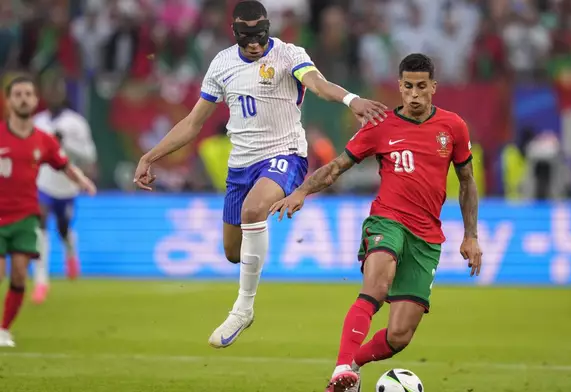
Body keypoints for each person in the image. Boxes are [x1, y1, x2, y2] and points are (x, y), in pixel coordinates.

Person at [132, 0, 387, 349]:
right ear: (235, 33)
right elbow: (193, 123)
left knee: (254, 211)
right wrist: (151, 156)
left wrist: (351, 100)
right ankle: (247, 281)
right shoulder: (221, 65)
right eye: (246, 37)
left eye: (260, 36)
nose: (254, 44)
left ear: (268, 28)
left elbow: (318, 84)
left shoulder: (288, 54)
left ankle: (243, 308)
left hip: (285, 155)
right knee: (233, 253)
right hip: (241, 166)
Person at [269, 53, 483, 392]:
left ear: (434, 88)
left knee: (399, 335)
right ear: (399, 87)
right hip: (387, 220)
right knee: (377, 287)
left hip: (427, 236)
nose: (414, 94)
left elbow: (467, 180)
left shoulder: (453, 127)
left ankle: (353, 365)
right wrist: (301, 192)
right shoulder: (380, 126)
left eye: (422, 87)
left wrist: (471, 236)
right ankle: (341, 368)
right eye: (408, 87)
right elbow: (338, 166)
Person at [0, 76, 96, 347]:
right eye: (17, 94)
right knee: (3, 271)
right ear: (8, 101)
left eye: (28, 94)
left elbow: (72, 161)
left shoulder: (56, 132)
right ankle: (41, 281)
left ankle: (4, 329)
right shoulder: (14, 129)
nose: (23, 99)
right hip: (19, 204)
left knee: (22, 271)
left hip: (45, 203)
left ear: (35, 98)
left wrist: (84, 181)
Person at [31, 76, 97, 303]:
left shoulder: (76, 123)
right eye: (48, 90)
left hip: (67, 186)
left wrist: (64, 144)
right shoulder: (37, 122)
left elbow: (90, 155)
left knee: (63, 229)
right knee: (39, 226)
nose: (52, 95)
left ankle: (70, 251)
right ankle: (41, 281)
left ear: (63, 93)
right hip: (42, 183)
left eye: (56, 89)